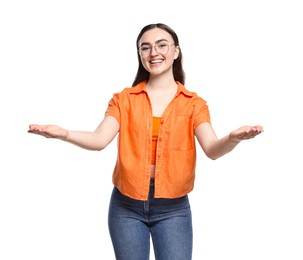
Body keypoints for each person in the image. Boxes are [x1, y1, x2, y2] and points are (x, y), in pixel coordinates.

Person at [28, 23, 263, 260]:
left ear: (176, 51)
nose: (154, 53)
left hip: (174, 209)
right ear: (140, 54)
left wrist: (233, 139)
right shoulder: (124, 100)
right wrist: (64, 134)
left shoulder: (193, 104)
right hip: (125, 207)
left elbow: (212, 149)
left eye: (162, 45)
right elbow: (99, 139)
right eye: (145, 48)